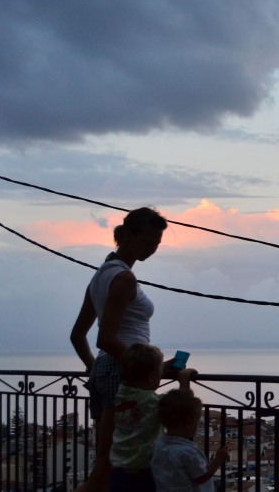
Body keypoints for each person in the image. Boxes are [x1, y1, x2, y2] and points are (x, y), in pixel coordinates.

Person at [70, 207, 168, 492]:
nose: (152, 249)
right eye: (147, 241)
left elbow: (78, 336)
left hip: (106, 371)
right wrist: (148, 368)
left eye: (156, 243)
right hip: (123, 374)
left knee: (105, 467)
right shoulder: (124, 278)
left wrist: (95, 369)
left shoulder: (100, 276)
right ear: (126, 236)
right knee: (109, 470)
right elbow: (105, 338)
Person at [110, 343, 196, 492]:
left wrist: (158, 370)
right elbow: (180, 405)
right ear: (151, 377)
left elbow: (141, 377)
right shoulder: (152, 402)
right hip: (143, 470)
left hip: (118, 467)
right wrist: (184, 381)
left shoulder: (121, 393)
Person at [151, 389, 229, 492]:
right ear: (189, 422)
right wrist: (218, 459)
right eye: (197, 421)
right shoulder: (188, 453)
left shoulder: (159, 445)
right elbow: (202, 477)